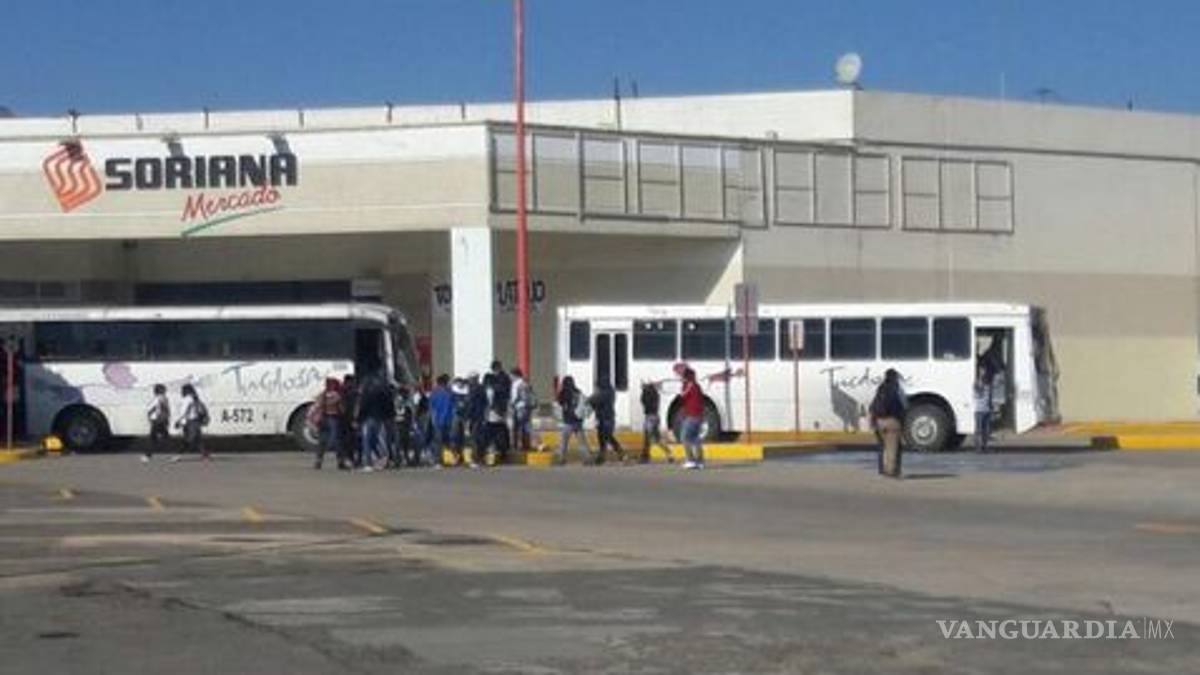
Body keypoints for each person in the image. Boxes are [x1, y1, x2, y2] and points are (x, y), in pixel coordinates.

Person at [869, 368, 908, 478]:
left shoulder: (880, 389)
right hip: (892, 421)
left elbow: (872, 406)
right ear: (895, 378)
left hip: (879, 421)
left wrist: (873, 421)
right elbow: (902, 406)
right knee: (893, 448)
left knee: (883, 447)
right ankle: (891, 471)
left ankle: (882, 469)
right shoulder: (896, 389)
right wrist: (902, 420)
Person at [356, 371, 394, 472]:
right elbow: (388, 406)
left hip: (368, 418)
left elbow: (363, 407)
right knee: (378, 440)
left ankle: (368, 463)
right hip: (380, 418)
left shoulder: (367, 393)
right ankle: (383, 459)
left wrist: (358, 419)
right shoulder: (383, 392)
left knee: (367, 441)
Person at [312, 378, 347, 470]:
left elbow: (316, 405)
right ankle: (340, 461)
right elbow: (342, 409)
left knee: (322, 441)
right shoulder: (337, 396)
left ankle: (318, 461)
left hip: (322, 419)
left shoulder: (322, 395)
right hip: (333, 418)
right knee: (337, 441)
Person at [555, 376, 591, 464]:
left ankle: (562, 459)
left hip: (568, 421)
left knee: (564, 441)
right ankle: (587, 459)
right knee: (582, 442)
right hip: (578, 421)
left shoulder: (564, 393)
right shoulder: (578, 392)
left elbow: (560, 402)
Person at [589, 376, 624, 464]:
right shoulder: (610, 392)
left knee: (606, 437)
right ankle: (605, 456)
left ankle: (618, 453)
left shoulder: (605, 393)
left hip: (606, 418)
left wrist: (590, 399)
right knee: (604, 437)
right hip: (604, 418)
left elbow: (594, 400)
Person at [173, 383, 209, 461]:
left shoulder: (187, 399)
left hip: (190, 422)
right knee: (198, 440)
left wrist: (178, 421)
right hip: (195, 421)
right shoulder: (195, 398)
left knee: (189, 440)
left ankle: (178, 455)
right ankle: (205, 455)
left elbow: (184, 411)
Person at [482, 371, 512, 465]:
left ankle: (491, 457)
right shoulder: (501, 389)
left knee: (490, 438)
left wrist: (485, 416)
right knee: (501, 436)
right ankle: (503, 454)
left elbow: (488, 404)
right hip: (501, 416)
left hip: (491, 417)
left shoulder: (489, 391)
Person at [639, 381, 673, 464]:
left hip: (650, 418)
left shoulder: (647, 393)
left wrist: (644, 391)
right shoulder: (656, 394)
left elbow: (643, 402)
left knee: (647, 439)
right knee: (657, 439)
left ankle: (645, 457)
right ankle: (668, 453)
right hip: (656, 417)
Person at [678, 368, 706, 469]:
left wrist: (684, 386)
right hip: (699, 416)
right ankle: (700, 461)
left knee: (684, 437)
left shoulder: (689, 386)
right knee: (695, 438)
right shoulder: (697, 386)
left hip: (692, 416)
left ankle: (690, 460)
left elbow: (682, 396)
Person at [427, 374, 454, 466]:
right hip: (444, 420)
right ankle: (442, 460)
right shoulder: (446, 393)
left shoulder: (436, 393)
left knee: (442, 441)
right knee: (443, 441)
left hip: (441, 420)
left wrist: (433, 419)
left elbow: (431, 408)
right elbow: (432, 407)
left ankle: (443, 460)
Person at [510, 367, 537, 453]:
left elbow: (518, 397)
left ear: (514, 375)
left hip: (520, 409)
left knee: (521, 427)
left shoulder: (518, 384)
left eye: (511, 375)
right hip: (525, 408)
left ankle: (517, 446)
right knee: (524, 428)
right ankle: (525, 445)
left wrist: (512, 404)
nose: (510, 377)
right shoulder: (524, 383)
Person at [464, 372, 487, 467]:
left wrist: (467, 417)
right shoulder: (482, 388)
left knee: (474, 438)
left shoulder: (473, 389)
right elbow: (486, 403)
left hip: (474, 417)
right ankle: (481, 458)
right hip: (481, 416)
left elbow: (470, 404)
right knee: (480, 438)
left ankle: (475, 459)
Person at [143, 383, 170, 463]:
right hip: (160, 420)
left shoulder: (157, 398)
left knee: (154, 439)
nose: (165, 390)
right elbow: (164, 409)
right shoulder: (163, 398)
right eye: (164, 389)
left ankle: (148, 455)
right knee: (164, 438)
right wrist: (166, 418)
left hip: (157, 420)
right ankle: (171, 454)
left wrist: (150, 416)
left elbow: (153, 409)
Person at [448, 376, 472, 466]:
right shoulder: (453, 392)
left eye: (461, 382)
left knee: (465, 438)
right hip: (456, 416)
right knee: (455, 437)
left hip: (464, 417)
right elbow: (450, 404)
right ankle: (456, 456)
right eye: (458, 383)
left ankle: (465, 457)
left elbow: (468, 404)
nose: (460, 384)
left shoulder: (466, 392)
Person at [340, 374, 360, 467]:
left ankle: (344, 459)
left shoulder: (341, 391)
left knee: (344, 440)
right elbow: (356, 407)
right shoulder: (354, 393)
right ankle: (352, 459)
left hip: (342, 419)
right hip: (351, 418)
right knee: (352, 440)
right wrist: (355, 419)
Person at [973, 368, 992, 454]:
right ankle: (978, 448)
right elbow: (979, 391)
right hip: (979, 410)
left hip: (986, 410)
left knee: (986, 430)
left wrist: (990, 407)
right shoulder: (977, 383)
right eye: (982, 371)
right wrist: (981, 382)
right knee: (979, 430)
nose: (983, 372)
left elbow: (989, 396)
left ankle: (985, 447)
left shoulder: (987, 383)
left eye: (984, 371)